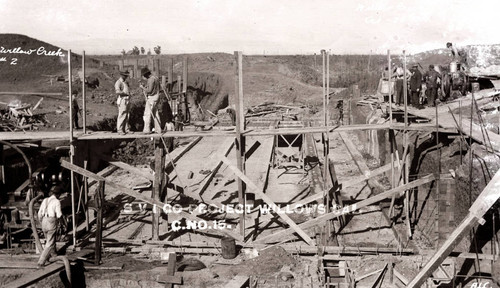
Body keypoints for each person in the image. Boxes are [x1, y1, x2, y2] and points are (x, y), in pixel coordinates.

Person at [37, 185, 63, 268]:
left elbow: (39, 213)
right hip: (51, 220)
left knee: (49, 239)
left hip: (44, 220)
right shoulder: (57, 201)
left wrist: (42, 221)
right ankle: (41, 262)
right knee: (50, 242)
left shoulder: (45, 200)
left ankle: (54, 255)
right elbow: (59, 215)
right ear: (58, 194)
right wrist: (62, 222)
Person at [140, 67, 161, 134]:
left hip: (152, 98)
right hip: (156, 97)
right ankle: (158, 129)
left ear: (146, 74)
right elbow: (154, 88)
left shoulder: (150, 79)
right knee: (155, 114)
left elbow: (149, 91)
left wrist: (143, 88)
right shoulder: (156, 78)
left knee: (147, 114)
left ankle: (147, 130)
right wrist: (146, 86)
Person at [115, 71, 132, 135]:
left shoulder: (125, 82)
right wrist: (125, 93)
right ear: (122, 75)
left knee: (127, 115)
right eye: (125, 75)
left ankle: (126, 129)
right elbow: (117, 92)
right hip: (122, 99)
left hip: (127, 99)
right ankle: (120, 130)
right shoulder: (118, 82)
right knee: (122, 114)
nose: (126, 77)